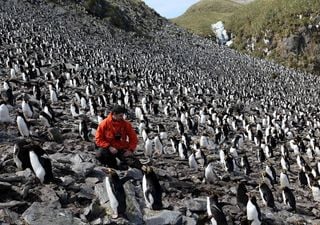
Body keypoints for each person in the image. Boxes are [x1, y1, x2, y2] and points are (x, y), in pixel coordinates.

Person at [95, 105, 140, 169]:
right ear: (114, 114)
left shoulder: (126, 124)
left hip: (122, 148)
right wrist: (109, 147)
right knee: (99, 155)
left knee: (135, 163)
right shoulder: (104, 123)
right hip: (109, 149)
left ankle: (123, 164)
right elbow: (98, 139)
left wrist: (130, 150)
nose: (122, 118)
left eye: (122, 115)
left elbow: (133, 138)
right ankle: (113, 165)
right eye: (120, 116)